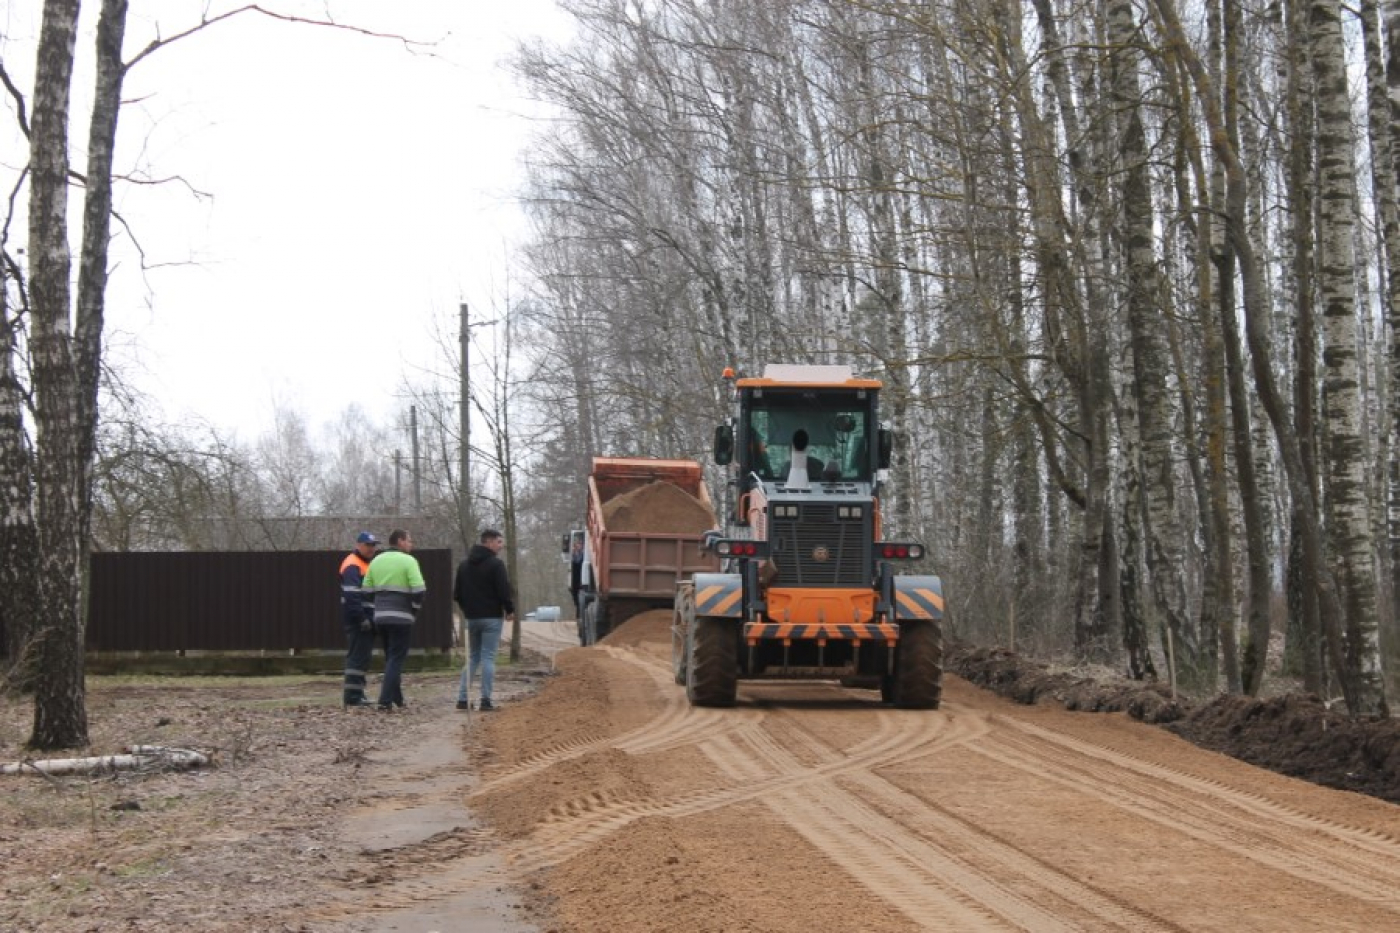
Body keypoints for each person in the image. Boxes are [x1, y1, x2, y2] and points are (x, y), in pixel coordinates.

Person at [361, 529, 426, 711]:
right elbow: (419, 590)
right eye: (409, 540)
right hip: (402, 617)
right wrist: (414, 609)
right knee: (396, 659)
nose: (411, 544)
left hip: (381, 617)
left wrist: (378, 606)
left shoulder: (376, 561)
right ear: (400, 541)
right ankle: (385, 700)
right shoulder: (409, 561)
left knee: (391, 657)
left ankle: (398, 698)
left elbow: (366, 591)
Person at [453, 528, 516, 712]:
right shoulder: (496, 565)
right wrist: (509, 610)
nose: (501, 546)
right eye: (498, 542)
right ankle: (485, 700)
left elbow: (457, 594)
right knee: (488, 657)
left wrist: (468, 610)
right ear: (488, 542)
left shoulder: (463, 565)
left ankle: (462, 699)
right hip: (492, 618)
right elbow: (503, 590)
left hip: (472, 618)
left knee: (473, 658)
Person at [338, 531, 379, 708]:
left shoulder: (363, 564)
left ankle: (358, 693)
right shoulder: (353, 565)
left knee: (361, 657)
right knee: (357, 658)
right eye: (368, 545)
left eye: (373, 545)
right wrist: (362, 618)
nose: (371, 549)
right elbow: (352, 595)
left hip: (364, 618)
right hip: (358, 620)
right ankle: (353, 696)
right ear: (358, 545)